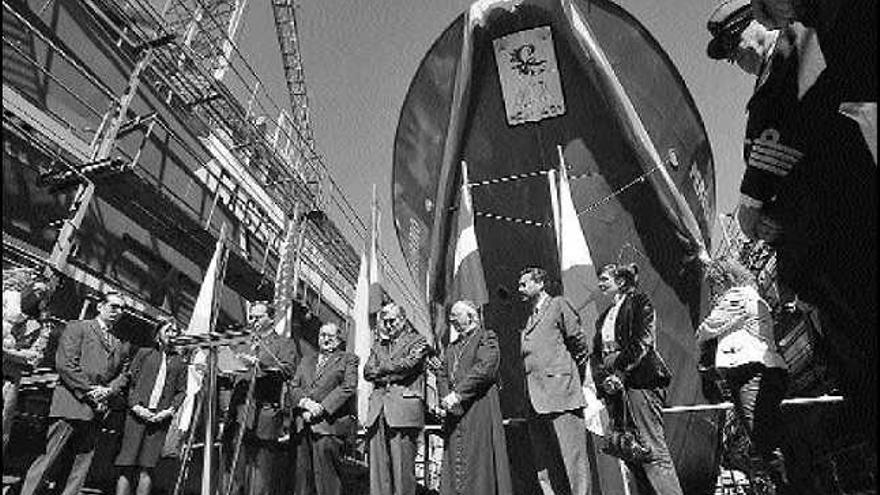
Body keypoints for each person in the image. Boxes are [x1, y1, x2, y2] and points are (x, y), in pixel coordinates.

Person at [707, 0, 877, 445]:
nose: (734, 56)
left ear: (756, 23)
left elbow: (794, 129)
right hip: (808, 238)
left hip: (832, 224)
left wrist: (751, 203)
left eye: (735, 42)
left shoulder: (793, 47)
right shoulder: (772, 72)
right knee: (848, 348)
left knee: (861, 339)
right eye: (727, 53)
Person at [20, 290, 133, 495]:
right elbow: (65, 364)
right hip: (70, 404)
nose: (118, 311)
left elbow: (125, 374)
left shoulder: (120, 343)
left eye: (122, 308)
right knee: (47, 459)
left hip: (97, 412)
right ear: (100, 306)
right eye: (113, 306)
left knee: (79, 468)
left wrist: (108, 390)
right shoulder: (77, 327)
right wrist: (90, 391)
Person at [696, 257, 790, 491]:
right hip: (761, 370)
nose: (714, 292)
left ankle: (788, 485)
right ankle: (789, 483)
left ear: (724, 280)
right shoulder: (751, 295)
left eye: (715, 285)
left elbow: (707, 328)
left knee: (763, 435)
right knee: (768, 433)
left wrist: (703, 336)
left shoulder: (736, 296)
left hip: (751, 372)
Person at [591, 263, 682, 495]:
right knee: (631, 453)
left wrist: (620, 372)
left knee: (652, 449)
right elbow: (597, 355)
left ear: (620, 281)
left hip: (640, 381)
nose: (600, 283)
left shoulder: (640, 302)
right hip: (615, 390)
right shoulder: (602, 319)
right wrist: (605, 381)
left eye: (605, 278)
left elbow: (642, 341)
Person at [516, 267, 590, 495]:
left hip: (561, 393)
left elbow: (579, 343)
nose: (520, 289)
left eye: (524, 284)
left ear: (540, 284)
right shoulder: (529, 318)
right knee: (544, 463)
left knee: (572, 458)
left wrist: (565, 376)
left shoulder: (558, 305)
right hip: (536, 399)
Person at [222, 301, 298, 495]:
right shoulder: (242, 342)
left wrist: (260, 363)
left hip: (263, 416)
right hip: (238, 415)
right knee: (232, 475)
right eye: (251, 317)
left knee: (259, 478)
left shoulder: (283, 343)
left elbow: (288, 369)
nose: (253, 320)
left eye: (258, 316)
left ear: (270, 319)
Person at [437, 300, 512, 495]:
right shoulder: (452, 347)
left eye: (456, 315)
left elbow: (485, 369)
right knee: (455, 465)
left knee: (478, 463)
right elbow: (442, 373)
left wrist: (459, 394)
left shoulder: (486, 338)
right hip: (456, 413)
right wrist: (447, 398)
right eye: (450, 315)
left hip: (478, 408)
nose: (451, 319)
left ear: (471, 316)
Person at [114, 319, 188, 495]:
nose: (171, 333)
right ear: (158, 334)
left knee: (147, 467)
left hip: (159, 420)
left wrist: (168, 411)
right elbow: (129, 382)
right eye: (168, 330)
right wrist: (136, 407)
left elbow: (181, 392)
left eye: (175, 331)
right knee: (127, 463)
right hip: (136, 416)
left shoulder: (179, 362)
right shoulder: (144, 353)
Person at [363, 302, 429, 495]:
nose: (388, 326)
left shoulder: (418, 341)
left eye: (392, 321)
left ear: (403, 320)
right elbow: (368, 371)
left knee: (402, 473)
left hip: (403, 412)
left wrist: (382, 368)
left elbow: (409, 365)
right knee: (377, 473)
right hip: (378, 411)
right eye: (385, 322)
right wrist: (392, 368)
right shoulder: (378, 345)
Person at [287, 322, 358, 495]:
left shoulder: (348, 359)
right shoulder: (306, 359)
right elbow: (293, 386)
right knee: (302, 484)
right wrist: (305, 403)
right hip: (303, 427)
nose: (325, 339)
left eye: (330, 336)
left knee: (327, 483)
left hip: (328, 428)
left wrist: (321, 407)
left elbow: (348, 387)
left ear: (339, 340)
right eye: (322, 335)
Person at [3, 268, 54, 454]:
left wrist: (8, 354)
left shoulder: (42, 325)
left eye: (43, 294)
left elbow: (35, 357)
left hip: (8, 379)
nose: (38, 295)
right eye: (37, 290)